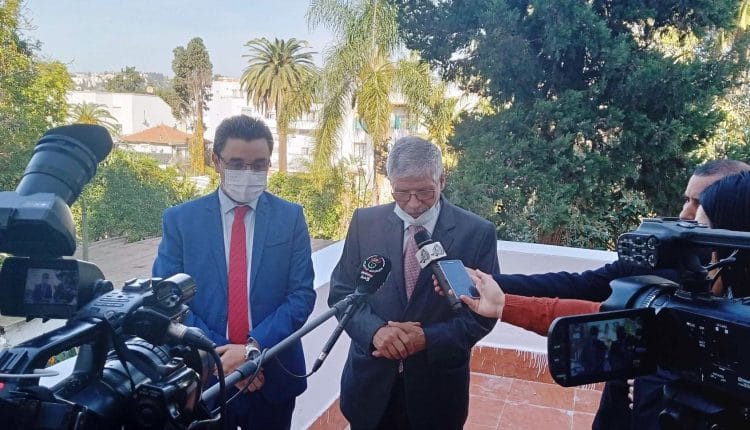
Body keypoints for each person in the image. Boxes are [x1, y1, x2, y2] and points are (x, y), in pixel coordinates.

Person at [152, 115, 316, 430]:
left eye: (259, 164)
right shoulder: (181, 221)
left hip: (272, 374)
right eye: (237, 163)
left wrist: (253, 349)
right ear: (216, 161)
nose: (248, 172)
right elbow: (167, 300)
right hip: (203, 378)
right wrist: (221, 357)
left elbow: (301, 295)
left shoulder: (290, 217)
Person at [328, 136, 500, 430]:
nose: (413, 203)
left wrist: (428, 339)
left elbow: (483, 316)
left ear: (442, 180)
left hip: (437, 391)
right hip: (370, 385)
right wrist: (375, 332)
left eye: (424, 192)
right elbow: (342, 292)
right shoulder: (364, 223)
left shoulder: (477, 233)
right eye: (402, 192)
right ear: (391, 184)